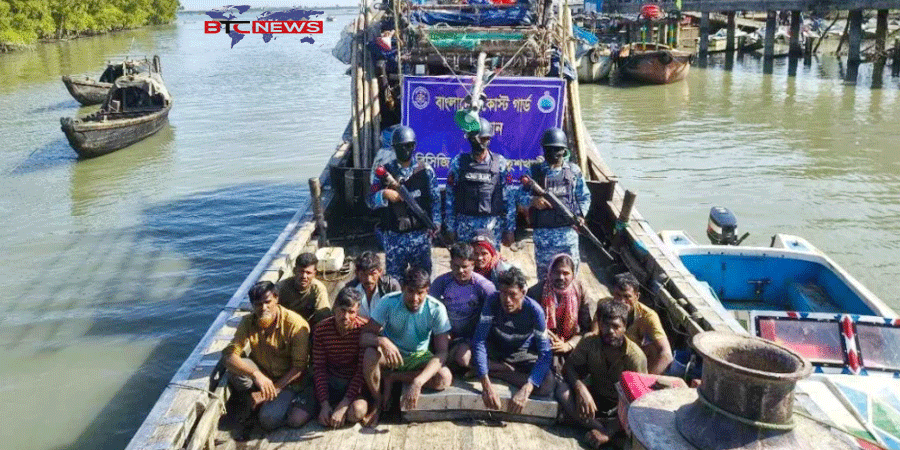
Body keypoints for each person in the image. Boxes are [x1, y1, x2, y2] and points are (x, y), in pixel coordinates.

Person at [360, 267, 453, 426]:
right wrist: (382, 341)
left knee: (444, 378)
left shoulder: (437, 309)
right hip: (391, 354)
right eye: (410, 291)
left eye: (420, 293)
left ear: (427, 291)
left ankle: (393, 378)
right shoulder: (389, 302)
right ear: (402, 288)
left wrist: (419, 381)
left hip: (419, 355)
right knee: (370, 355)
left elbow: (442, 352)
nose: (415, 298)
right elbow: (364, 337)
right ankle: (377, 401)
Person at [222, 281, 315, 430]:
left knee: (268, 420)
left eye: (267, 302)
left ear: (276, 299)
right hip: (263, 373)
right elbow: (229, 355)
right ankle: (252, 399)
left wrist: (273, 390)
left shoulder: (296, 325)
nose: (263, 308)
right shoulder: (248, 321)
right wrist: (256, 375)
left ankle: (270, 401)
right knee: (234, 368)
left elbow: (299, 367)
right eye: (258, 304)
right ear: (252, 305)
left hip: (288, 381)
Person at [464, 267, 555, 414]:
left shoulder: (535, 311)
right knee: (462, 358)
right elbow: (479, 340)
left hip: (520, 353)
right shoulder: (493, 300)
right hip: (495, 348)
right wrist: (486, 385)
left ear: (523, 293)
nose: (507, 300)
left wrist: (527, 388)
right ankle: (498, 370)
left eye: (513, 294)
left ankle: (497, 372)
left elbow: (545, 353)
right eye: (503, 293)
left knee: (547, 384)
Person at [558, 301, 647, 449]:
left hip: (619, 411)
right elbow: (569, 368)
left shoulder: (636, 357)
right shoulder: (589, 341)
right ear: (599, 323)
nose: (610, 331)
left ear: (625, 327)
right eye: (605, 325)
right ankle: (598, 427)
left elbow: (639, 402)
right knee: (561, 389)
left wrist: (611, 429)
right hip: (594, 401)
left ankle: (599, 430)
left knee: (633, 436)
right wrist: (581, 389)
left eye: (616, 326)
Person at [367, 126, 441, 280]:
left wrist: (436, 224)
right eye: (401, 146)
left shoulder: (426, 171)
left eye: (409, 145)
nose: (406, 150)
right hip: (394, 237)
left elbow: (435, 201)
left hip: (420, 236)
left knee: (422, 281)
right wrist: (384, 194)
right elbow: (369, 201)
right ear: (394, 148)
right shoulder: (384, 172)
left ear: (414, 146)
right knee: (394, 282)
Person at [519, 127, 591, 276]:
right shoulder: (535, 171)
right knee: (545, 280)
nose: (553, 153)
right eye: (549, 149)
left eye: (557, 149)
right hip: (543, 237)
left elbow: (584, 197)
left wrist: (581, 215)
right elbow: (518, 196)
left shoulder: (573, 171)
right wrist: (533, 200)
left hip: (568, 236)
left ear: (564, 150)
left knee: (569, 280)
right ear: (544, 150)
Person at [445, 117, 516, 249]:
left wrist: (509, 229)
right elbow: (450, 198)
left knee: (490, 265)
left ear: (489, 139)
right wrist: (450, 227)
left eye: (483, 139)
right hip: (465, 227)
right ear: (469, 139)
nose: (479, 143)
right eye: (475, 139)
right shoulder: (459, 162)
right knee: (466, 265)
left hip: (492, 226)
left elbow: (509, 199)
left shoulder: (500, 163)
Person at [429, 242, 496, 367]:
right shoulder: (441, 282)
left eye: (465, 267)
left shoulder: (483, 286)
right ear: (450, 264)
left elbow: (495, 312)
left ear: (473, 265)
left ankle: (494, 369)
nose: (460, 271)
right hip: (447, 331)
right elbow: (429, 309)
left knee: (462, 359)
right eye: (456, 266)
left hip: (472, 335)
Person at [526, 253, 596, 370]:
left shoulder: (581, 291)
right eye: (557, 272)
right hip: (543, 339)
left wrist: (569, 345)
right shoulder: (536, 291)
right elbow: (528, 323)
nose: (561, 277)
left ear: (573, 275)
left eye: (566, 273)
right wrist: (549, 338)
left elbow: (587, 329)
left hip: (572, 341)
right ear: (550, 272)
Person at [312, 287, 369, 428]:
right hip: (331, 380)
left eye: (351, 312)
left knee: (357, 411)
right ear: (334, 308)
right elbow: (319, 368)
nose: (346, 317)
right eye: (342, 311)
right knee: (296, 418)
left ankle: (339, 407)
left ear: (357, 311)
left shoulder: (363, 329)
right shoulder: (321, 329)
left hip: (353, 382)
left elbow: (361, 371)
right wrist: (324, 404)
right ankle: (327, 407)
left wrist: (344, 404)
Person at [603, 272, 673, 375]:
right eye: (618, 295)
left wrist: (645, 381)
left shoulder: (648, 316)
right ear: (612, 293)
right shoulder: (605, 306)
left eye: (627, 297)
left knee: (653, 349)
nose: (622, 301)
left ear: (637, 296)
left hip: (633, 362)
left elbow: (666, 354)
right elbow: (594, 334)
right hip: (609, 354)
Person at [277, 252, 332, 327]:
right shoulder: (281, 287)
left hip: (309, 325)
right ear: (294, 271)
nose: (304, 276)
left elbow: (324, 312)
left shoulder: (318, 288)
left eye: (308, 273)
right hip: (287, 324)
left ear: (314, 274)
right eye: (301, 272)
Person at [344, 251, 401, 319]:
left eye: (372, 274)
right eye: (363, 274)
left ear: (380, 272)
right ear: (357, 273)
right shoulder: (350, 289)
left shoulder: (390, 287)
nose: (368, 279)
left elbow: (400, 314)